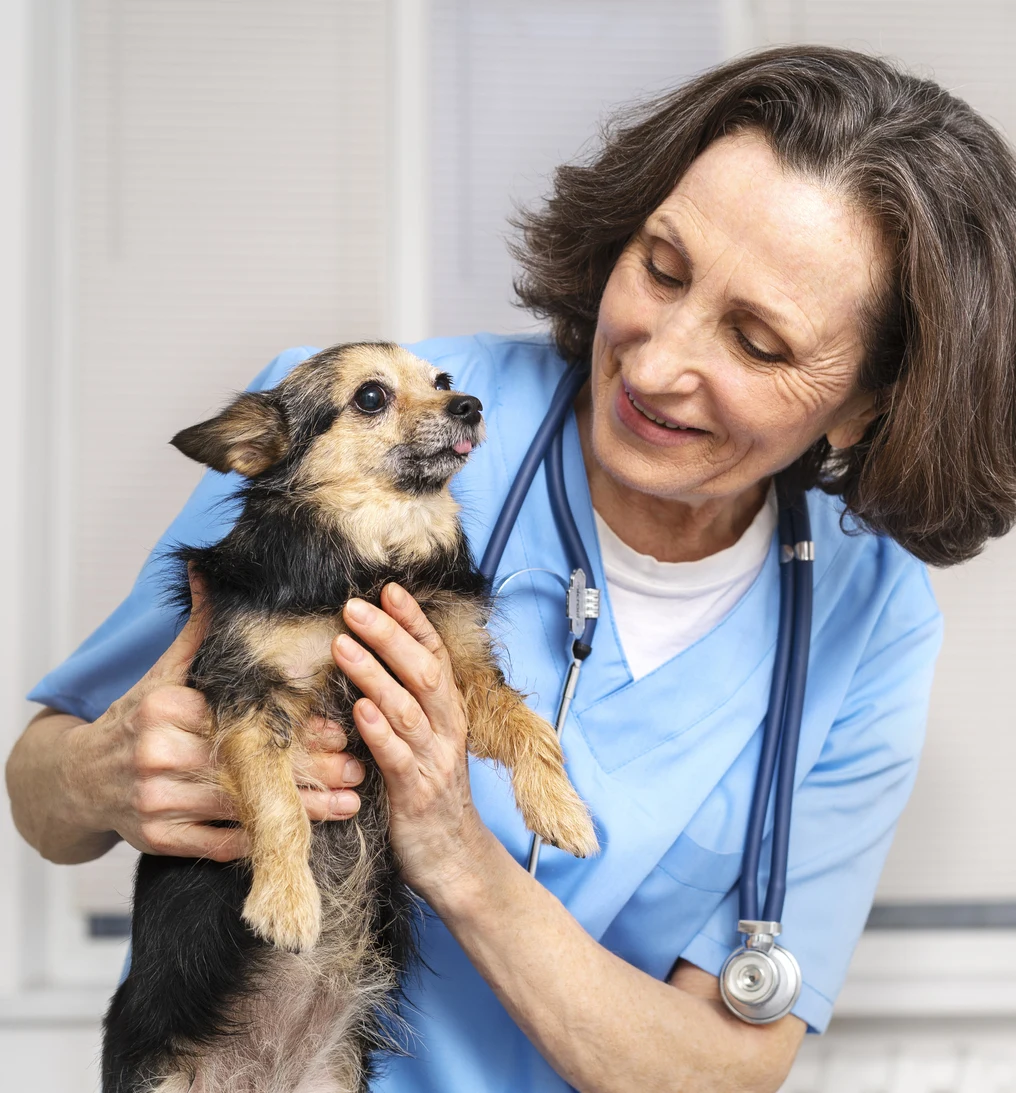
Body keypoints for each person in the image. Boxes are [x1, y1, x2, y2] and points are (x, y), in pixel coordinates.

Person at [8, 44, 1016, 1093]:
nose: (655, 362)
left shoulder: (869, 617)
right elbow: (38, 787)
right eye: (661, 267)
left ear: (870, 402)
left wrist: (458, 852)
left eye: (757, 342)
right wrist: (96, 774)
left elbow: (727, 1068)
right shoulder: (353, 439)